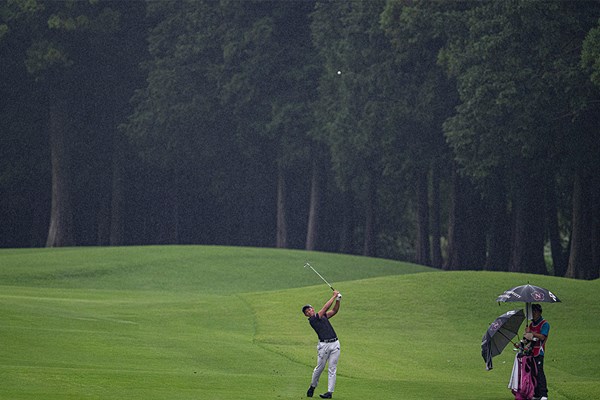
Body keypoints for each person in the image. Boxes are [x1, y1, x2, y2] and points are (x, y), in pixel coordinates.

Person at [302, 290, 342, 399]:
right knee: (320, 368)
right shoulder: (313, 320)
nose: (310, 310)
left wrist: (338, 300)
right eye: (307, 310)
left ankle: (329, 392)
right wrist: (333, 296)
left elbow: (334, 310)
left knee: (332, 368)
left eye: (310, 308)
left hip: (335, 344)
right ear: (306, 314)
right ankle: (312, 386)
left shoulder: (322, 316)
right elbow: (325, 308)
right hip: (324, 346)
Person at [524, 303, 550, 400]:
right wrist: (525, 336)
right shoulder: (531, 324)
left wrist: (531, 332)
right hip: (531, 351)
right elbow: (528, 339)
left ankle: (544, 394)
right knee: (532, 373)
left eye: (534, 312)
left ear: (539, 312)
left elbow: (543, 336)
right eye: (532, 312)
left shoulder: (544, 324)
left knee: (539, 373)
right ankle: (536, 393)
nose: (533, 314)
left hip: (539, 351)